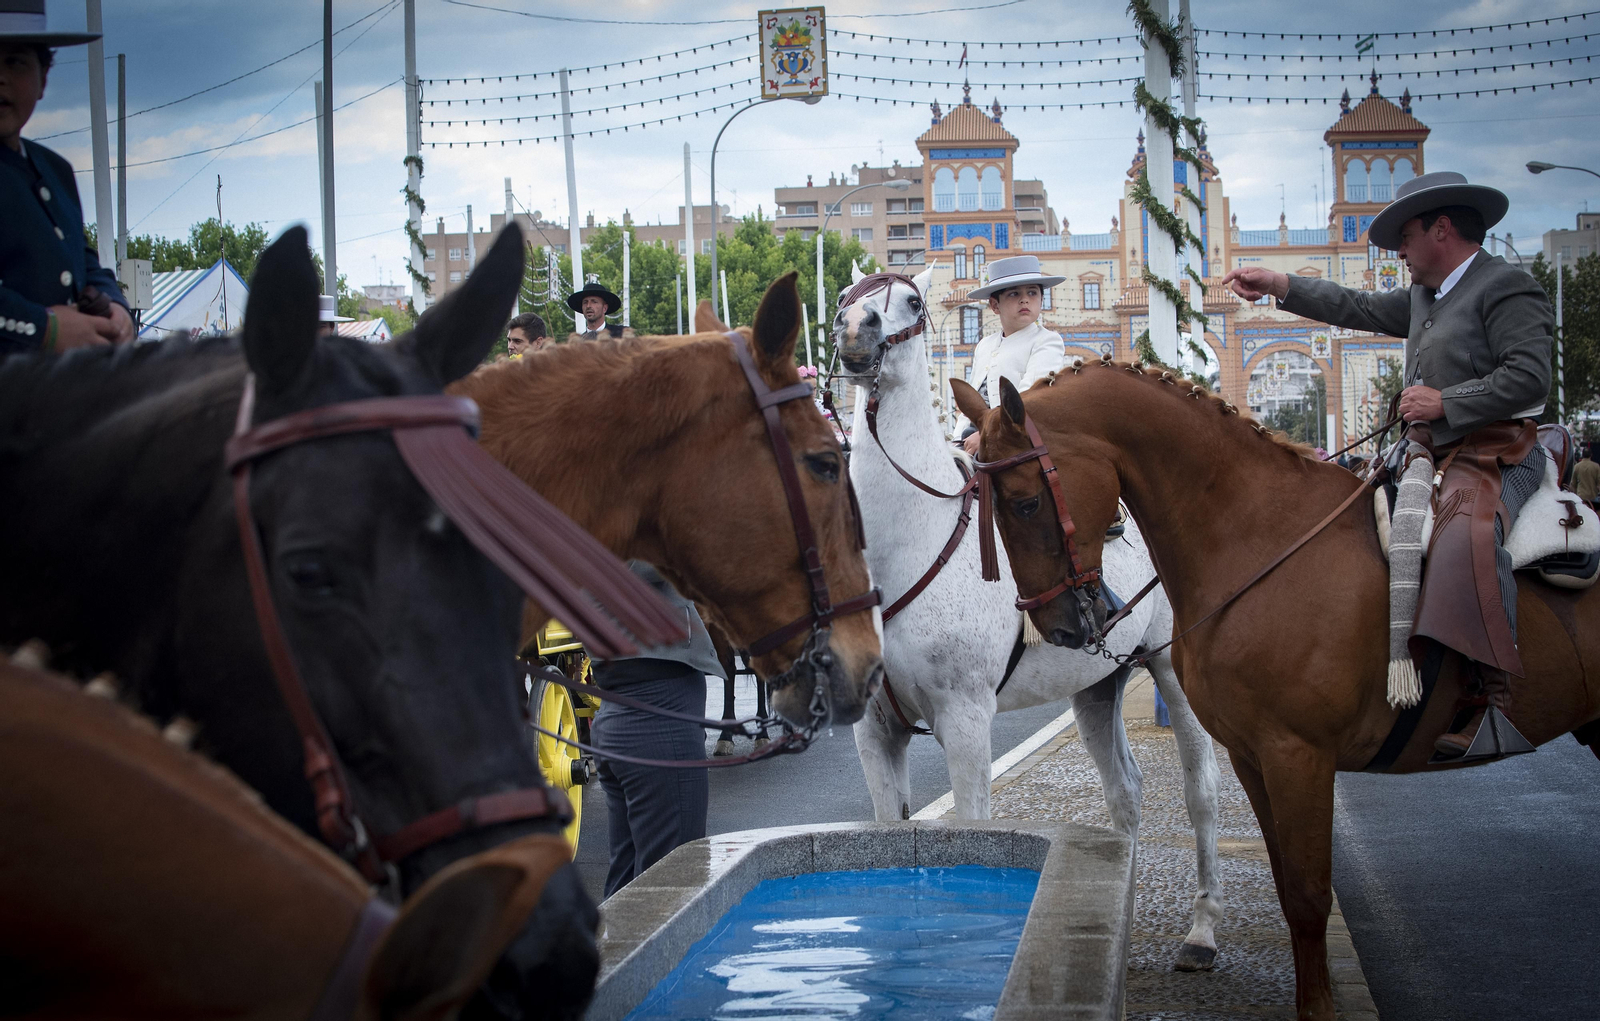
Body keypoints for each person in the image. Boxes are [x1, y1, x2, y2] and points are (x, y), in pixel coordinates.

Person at [1222, 171, 1553, 762]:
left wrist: (1447, 402)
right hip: (1429, 452)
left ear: (1442, 230)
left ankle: (1488, 697)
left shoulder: (1507, 286)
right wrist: (1278, 283)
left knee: (1467, 539)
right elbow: (1356, 304)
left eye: (1405, 237)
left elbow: (1530, 376)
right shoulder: (1426, 296)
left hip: (1498, 448)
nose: (1398, 251)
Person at [0, 3, 133, 355]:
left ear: (43, 79)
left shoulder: (54, 169)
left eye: (15, 61)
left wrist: (117, 308)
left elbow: (82, 259)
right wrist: (44, 329)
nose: (1, 77)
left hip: (64, 392)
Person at [587, 562, 724, 897]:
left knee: (628, 889)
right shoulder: (615, 525)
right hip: (658, 715)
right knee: (672, 889)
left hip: (627, 707)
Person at [959, 255, 1066, 455]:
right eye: (1014, 293)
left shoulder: (1046, 340)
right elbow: (972, 396)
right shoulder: (984, 345)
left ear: (1041, 300)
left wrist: (984, 434)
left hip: (1015, 441)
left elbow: (1030, 396)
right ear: (995, 305)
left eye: (1032, 292)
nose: (1024, 299)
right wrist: (956, 439)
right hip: (973, 436)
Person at [566, 275, 625, 340]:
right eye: (585, 302)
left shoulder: (621, 335)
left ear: (604, 308)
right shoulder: (579, 343)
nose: (588, 306)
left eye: (594, 302)